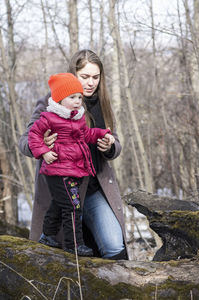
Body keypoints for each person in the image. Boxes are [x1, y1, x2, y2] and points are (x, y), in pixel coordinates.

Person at [19, 49, 128, 260]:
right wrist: (41, 146)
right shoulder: (52, 102)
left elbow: (114, 139)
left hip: (94, 188)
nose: (90, 83)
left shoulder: (102, 102)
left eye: (96, 77)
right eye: (84, 76)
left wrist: (110, 145)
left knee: (114, 245)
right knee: (62, 255)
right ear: (73, 74)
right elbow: (25, 141)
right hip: (63, 188)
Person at [28, 72, 114, 256]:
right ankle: (74, 244)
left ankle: (48, 235)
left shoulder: (78, 118)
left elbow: (86, 135)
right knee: (73, 207)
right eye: (72, 97)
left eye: (79, 98)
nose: (77, 101)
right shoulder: (49, 118)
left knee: (60, 204)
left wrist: (101, 134)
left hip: (74, 170)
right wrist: (43, 151)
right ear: (59, 100)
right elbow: (33, 136)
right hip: (57, 169)